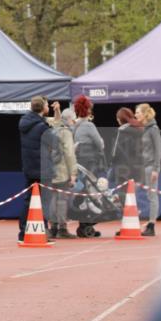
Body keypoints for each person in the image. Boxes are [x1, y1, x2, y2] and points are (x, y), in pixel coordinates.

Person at [18, 95, 56, 243]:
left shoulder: (25, 123)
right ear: (42, 107)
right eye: (47, 104)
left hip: (29, 167)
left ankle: (23, 232)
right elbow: (55, 143)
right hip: (42, 168)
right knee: (44, 202)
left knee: (28, 200)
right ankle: (43, 231)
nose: (48, 106)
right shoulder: (42, 127)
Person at [72, 95, 106, 238]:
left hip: (77, 163)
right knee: (92, 193)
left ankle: (84, 224)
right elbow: (100, 144)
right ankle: (87, 224)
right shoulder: (89, 126)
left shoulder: (74, 125)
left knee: (83, 192)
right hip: (90, 164)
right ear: (88, 110)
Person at [49, 108, 78, 238]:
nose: (74, 121)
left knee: (52, 199)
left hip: (50, 170)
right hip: (62, 170)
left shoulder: (52, 129)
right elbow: (69, 153)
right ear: (70, 119)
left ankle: (53, 227)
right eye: (74, 119)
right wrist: (73, 173)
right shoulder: (66, 132)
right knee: (62, 200)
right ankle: (62, 228)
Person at [136, 102, 161, 237]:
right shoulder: (145, 129)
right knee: (145, 194)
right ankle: (143, 222)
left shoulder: (153, 129)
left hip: (151, 167)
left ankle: (151, 225)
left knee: (152, 196)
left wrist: (156, 169)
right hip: (144, 166)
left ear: (145, 114)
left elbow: (158, 150)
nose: (135, 115)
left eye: (137, 112)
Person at [110, 107, 144, 201]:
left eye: (117, 118)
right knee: (131, 196)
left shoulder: (122, 131)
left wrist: (111, 162)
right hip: (138, 169)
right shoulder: (140, 130)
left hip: (123, 169)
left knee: (123, 196)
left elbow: (115, 152)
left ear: (120, 119)